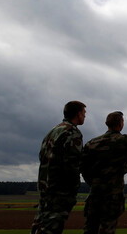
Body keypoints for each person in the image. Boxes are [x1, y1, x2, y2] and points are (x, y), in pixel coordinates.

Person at [81, 112, 127, 234]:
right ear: (121, 124)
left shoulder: (91, 143)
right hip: (113, 193)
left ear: (106, 124)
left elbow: (82, 167)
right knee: (107, 227)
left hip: (95, 192)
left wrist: (93, 183)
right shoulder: (124, 140)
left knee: (90, 227)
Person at [31, 100, 86, 234]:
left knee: (40, 223)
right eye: (84, 113)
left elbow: (42, 155)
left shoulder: (53, 131)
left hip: (46, 186)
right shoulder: (72, 133)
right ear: (78, 114)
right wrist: (74, 186)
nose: (85, 116)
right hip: (60, 189)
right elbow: (73, 163)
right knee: (52, 226)